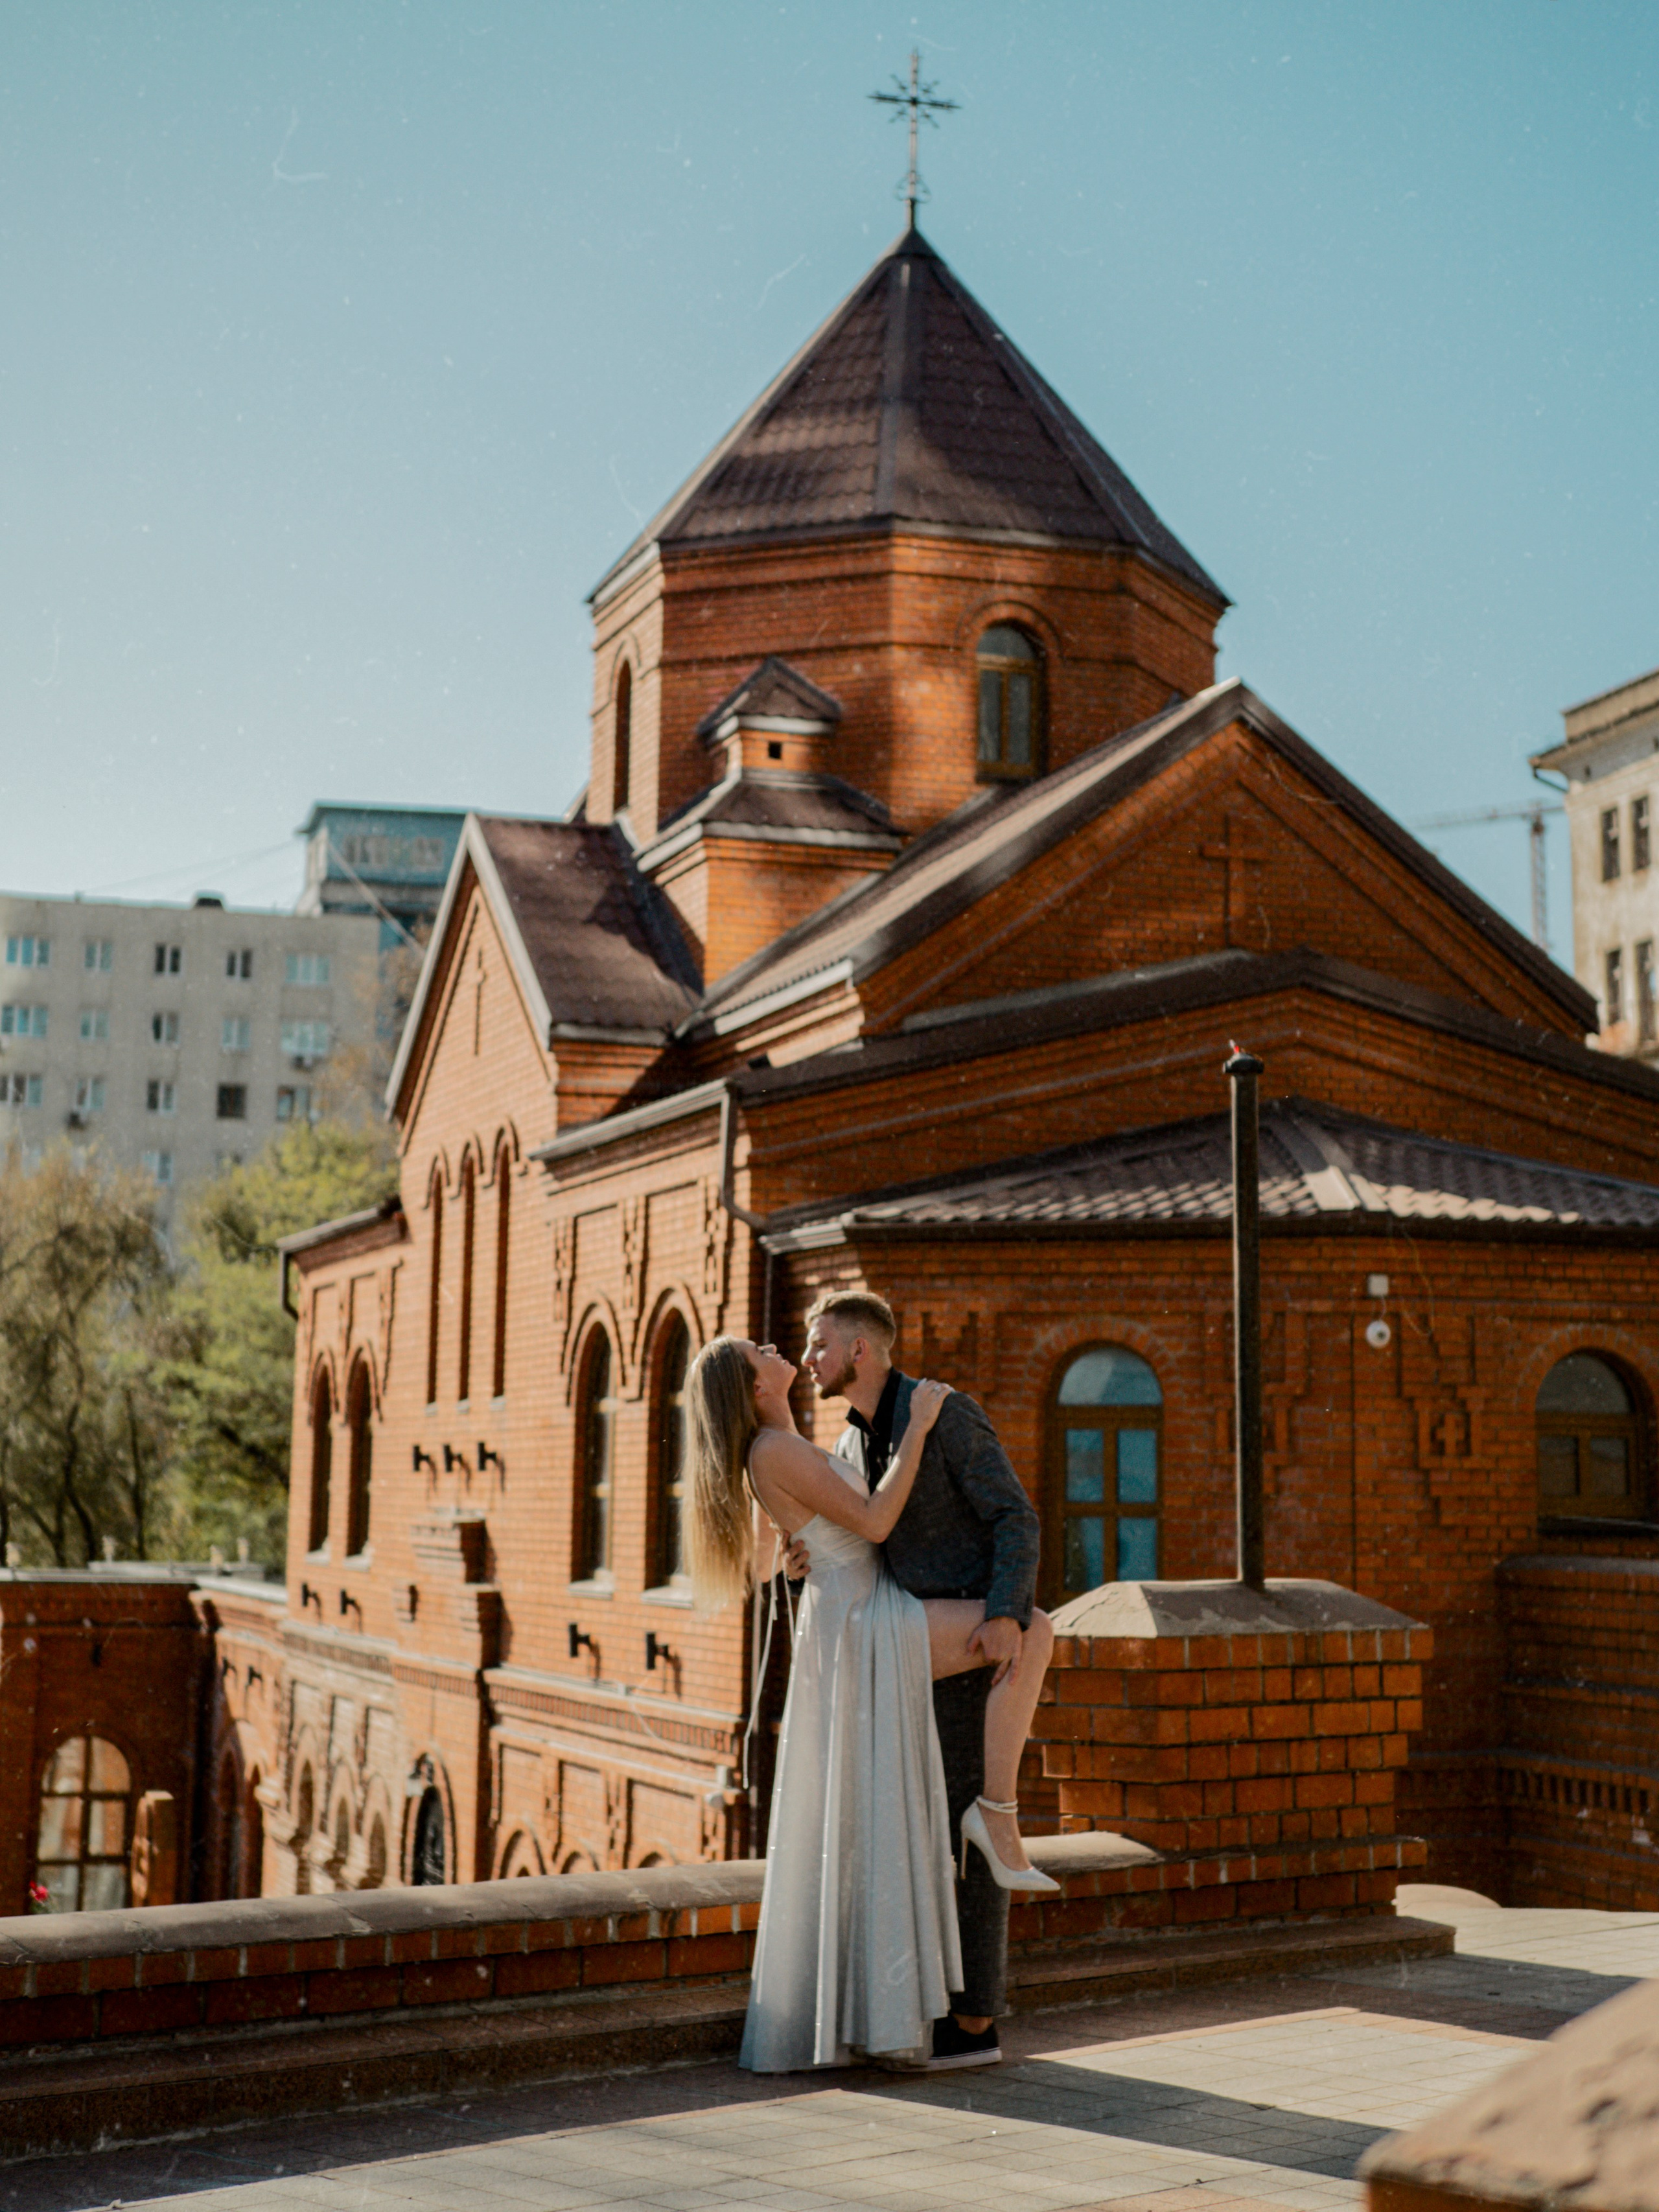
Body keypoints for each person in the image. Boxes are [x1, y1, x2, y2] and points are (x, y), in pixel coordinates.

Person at [684, 1334, 1056, 2076]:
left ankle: (988, 1823)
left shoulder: (781, 1442)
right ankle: (998, 1809)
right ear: (755, 1386)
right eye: (757, 1351)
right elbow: (879, 1522)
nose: (772, 1345)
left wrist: (799, 1554)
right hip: (869, 1624)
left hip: (858, 1612)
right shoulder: (773, 1447)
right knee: (1032, 1628)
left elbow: (782, 1552)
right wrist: (918, 1426)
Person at [795, 1289, 1047, 2071]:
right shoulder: (849, 1437)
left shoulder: (945, 1411)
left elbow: (1016, 1516)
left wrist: (1006, 1614)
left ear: (860, 1350)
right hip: (906, 1654)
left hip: (973, 1647)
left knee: (975, 1831)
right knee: (926, 1835)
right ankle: (929, 2003)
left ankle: (974, 2023)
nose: (809, 1359)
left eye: (819, 1344)